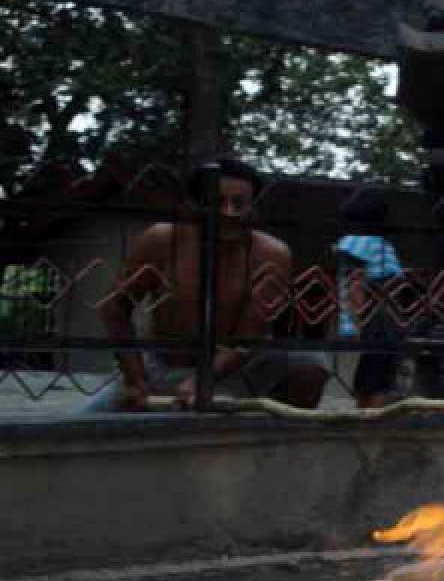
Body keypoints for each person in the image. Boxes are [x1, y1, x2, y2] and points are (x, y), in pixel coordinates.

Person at [84, 158, 328, 411]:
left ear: (253, 207)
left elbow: (250, 334)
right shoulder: (163, 240)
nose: (228, 212)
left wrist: (202, 381)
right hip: (162, 367)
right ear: (194, 205)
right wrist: (135, 378)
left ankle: (279, 440)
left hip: (235, 368)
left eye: (239, 204)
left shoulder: (271, 254)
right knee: (82, 429)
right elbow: (115, 307)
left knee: (308, 362)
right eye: (216, 202)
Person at [335, 191, 404, 408]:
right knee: (379, 374)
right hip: (377, 318)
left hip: (369, 315)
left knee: (371, 369)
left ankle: (365, 411)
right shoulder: (372, 245)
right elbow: (357, 283)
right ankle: (371, 416)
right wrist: (357, 323)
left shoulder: (351, 243)